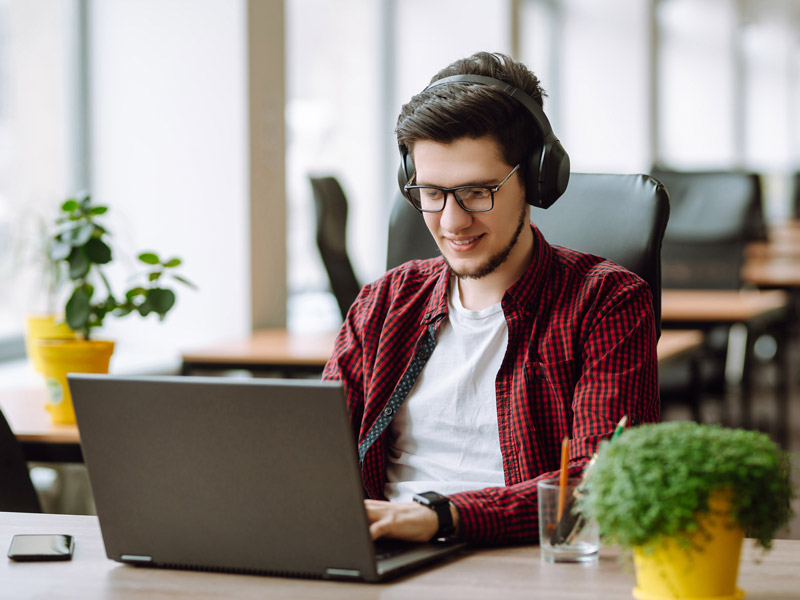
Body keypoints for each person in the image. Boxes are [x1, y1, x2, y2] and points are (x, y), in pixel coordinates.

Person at [321, 51, 659, 545]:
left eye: (478, 191)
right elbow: (316, 459)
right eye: (431, 193)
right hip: (383, 555)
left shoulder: (606, 301)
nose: (452, 222)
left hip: (525, 561)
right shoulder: (383, 303)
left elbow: (601, 482)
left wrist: (442, 516)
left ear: (538, 179)